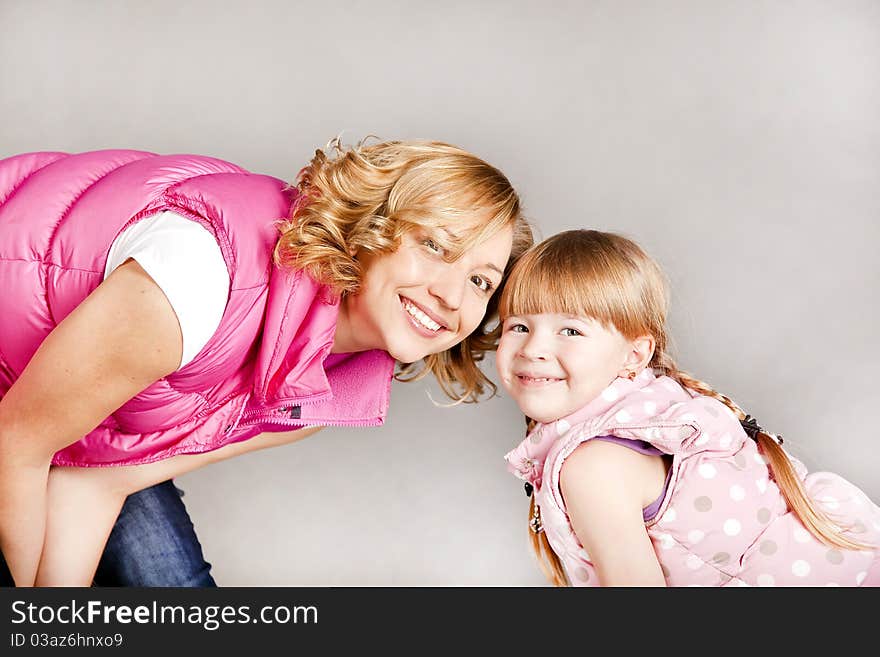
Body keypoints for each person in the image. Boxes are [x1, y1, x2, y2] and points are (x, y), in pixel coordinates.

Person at [0, 138, 534, 586]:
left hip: (59, 420)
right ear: (374, 225)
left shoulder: (316, 397)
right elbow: (15, 442)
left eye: (481, 280)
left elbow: (96, 479)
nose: (452, 296)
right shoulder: (199, 278)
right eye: (437, 246)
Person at [496, 229, 879, 587]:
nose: (533, 349)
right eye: (518, 327)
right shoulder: (659, 415)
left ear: (635, 354)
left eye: (571, 330)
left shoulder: (594, 468)